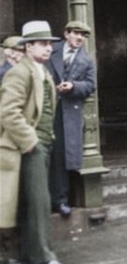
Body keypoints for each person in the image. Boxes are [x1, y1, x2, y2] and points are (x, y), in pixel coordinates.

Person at [0, 21, 66, 264]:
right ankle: (43, 255)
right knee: (39, 201)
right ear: (28, 47)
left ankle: (28, 252)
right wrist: (31, 141)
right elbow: (8, 112)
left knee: (31, 201)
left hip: (43, 144)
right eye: (42, 43)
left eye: (50, 43)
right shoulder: (20, 72)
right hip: (28, 147)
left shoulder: (42, 71)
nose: (48, 48)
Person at [45, 20, 97, 217]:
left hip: (68, 113)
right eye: (75, 33)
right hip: (46, 108)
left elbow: (91, 85)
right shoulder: (51, 49)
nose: (79, 38)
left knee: (62, 156)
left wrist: (73, 87)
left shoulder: (86, 60)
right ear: (66, 33)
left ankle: (60, 200)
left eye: (82, 36)